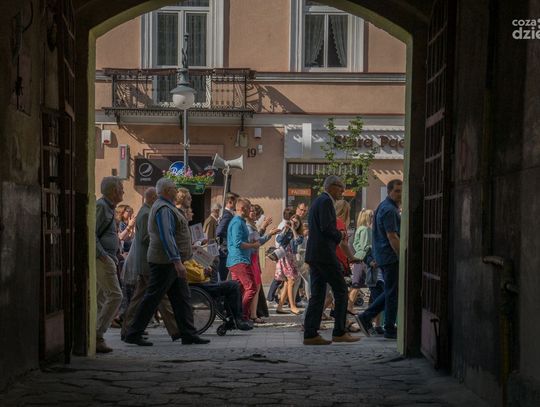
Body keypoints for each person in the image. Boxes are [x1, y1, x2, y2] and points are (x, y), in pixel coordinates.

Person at [125, 178, 210, 346]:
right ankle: (133, 333)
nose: (176, 190)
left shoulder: (166, 207)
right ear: (166, 191)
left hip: (170, 261)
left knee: (181, 297)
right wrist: (177, 262)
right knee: (152, 298)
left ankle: (188, 333)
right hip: (165, 262)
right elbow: (167, 236)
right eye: (173, 188)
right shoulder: (163, 208)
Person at [303, 175, 360, 345]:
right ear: (331, 186)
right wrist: (340, 234)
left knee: (318, 295)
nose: (343, 190)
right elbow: (327, 228)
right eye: (340, 186)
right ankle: (339, 331)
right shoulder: (326, 201)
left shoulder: (318, 201)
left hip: (315, 255)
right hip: (325, 255)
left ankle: (310, 333)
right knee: (341, 290)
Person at [121, 188, 182, 342]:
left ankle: (128, 329)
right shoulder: (146, 213)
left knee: (140, 297)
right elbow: (144, 238)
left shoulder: (146, 211)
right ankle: (175, 330)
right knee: (160, 296)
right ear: (154, 197)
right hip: (147, 262)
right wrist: (160, 238)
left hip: (145, 261)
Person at [355, 179, 402, 340]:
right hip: (390, 256)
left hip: (383, 255)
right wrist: (401, 255)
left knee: (391, 291)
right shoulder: (389, 210)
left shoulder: (384, 206)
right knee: (392, 292)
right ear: (389, 191)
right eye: (396, 191)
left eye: (401, 191)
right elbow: (392, 236)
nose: (400, 194)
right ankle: (385, 325)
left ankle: (371, 319)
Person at [95, 176, 125, 353]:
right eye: (121, 188)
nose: (123, 191)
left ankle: (96, 337)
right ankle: (98, 334)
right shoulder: (101, 206)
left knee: (100, 299)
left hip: (108, 258)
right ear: (114, 191)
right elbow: (93, 233)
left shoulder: (108, 207)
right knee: (116, 295)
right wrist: (103, 255)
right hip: (103, 259)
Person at [226, 198, 261, 321]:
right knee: (251, 288)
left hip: (238, 260)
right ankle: (243, 317)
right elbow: (238, 243)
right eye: (248, 207)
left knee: (240, 290)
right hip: (239, 260)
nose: (250, 209)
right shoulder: (237, 222)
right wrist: (253, 245)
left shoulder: (240, 221)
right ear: (242, 209)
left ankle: (236, 317)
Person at [247, 204, 280, 323]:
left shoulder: (251, 225)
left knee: (256, 286)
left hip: (253, 257)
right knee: (253, 287)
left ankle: (253, 314)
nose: (256, 216)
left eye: (257, 214)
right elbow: (257, 241)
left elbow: (257, 238)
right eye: (253, 212)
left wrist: (265, 229)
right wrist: (269, 233)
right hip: (250, 258)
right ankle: (251, 314)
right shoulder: (247, 225)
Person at [275, 214, 304, 315]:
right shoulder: (286, 231)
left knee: (288, 283)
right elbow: (278, 240)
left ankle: (280, 307)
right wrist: (285, 229)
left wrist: (293, 229)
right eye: (293, 222)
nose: (294, 224)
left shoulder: (299, 234)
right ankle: (292, 306)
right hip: (284, 258)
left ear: (299, 224)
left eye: (296, 223)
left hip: (292, 258)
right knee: (291, 281)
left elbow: (298, 241)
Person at [216, 192, 240, 281]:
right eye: (236, 202)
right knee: (224, 278)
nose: (237, 205)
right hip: (225, 250)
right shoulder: (227, 215)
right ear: (230, 202)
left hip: (226, 250)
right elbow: (219, 231)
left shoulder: (228, 214)